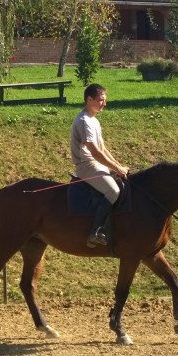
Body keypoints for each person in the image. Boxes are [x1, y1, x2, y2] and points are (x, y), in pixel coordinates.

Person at [70, 83, 129, 247]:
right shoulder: (84, 121)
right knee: (113, 190)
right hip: (86, 165)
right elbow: (95, 152)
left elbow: (103, 148)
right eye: (101, 100)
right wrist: (116, 168)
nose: (105, 103)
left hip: (97, 164)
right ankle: (95, 232)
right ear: (89, 99)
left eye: (104, 100)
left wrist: (118, 166)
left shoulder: (93, 120)